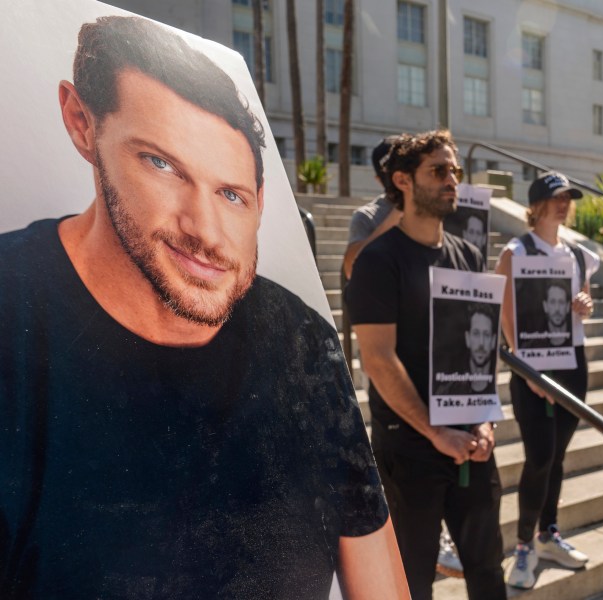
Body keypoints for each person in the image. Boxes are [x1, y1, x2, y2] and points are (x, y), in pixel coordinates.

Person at [0, 15, 408, 599]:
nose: (207, 232)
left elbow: (380, 583)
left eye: (231, 195)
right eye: (160, 164)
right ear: (81, 123)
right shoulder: (14, 316)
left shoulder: (301, 342)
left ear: (261, 202)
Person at [346, 130, 506, 600]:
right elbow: (377, 358)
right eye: (438, 171)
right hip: (410, 449)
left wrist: (483, 421)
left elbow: (480, 347)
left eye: (454, 170)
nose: (452, 180)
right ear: (403, 180)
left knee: (486, 569)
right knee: (413, 580)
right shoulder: (378, 261)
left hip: (471, 444)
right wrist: (436, 431)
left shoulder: (469, 254)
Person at [495, 171, 600, 590]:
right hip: (532, 366)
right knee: (539, 455)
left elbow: (585, 304)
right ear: (536, 204)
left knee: (557, 456)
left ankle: (548, 533)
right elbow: (504, 317)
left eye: (568, 198)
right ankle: (524, 545)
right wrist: (526, 366)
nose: (563, 204)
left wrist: (584, 305)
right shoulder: (515, 251)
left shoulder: (577, 255)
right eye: (555, 197)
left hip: (572, 361)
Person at [342, 136, 402, 279]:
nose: (399, 180)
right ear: (379, 180)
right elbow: (351, 268)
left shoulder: (431, 204)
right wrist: (397, 213)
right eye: (390, 175)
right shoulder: (366, 217)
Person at [433, 303, 498, 395]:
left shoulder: (497, 395)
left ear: (493, 340)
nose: (481, 343)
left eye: (486, 334)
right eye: (476, 333)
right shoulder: (447, 392)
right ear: (467, 338)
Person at [543, 281, 572, 347]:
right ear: (545, 306)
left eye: (561, 302)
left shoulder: (576, 342)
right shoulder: (533, 345)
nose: (557, 309)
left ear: (568, 306)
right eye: (552, 302)